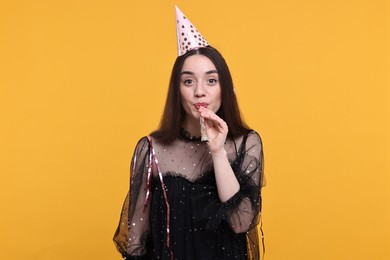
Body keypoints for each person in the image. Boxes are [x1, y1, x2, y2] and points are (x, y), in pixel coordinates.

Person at [113, 6, 265, 260]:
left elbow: (240, 222)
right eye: (188, 81)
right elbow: (135, 240)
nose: (200, 92)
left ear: (223, 88)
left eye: (211, 80)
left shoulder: (246, 142)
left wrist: (217, 151)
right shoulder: (152, 149)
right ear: (178, 90)